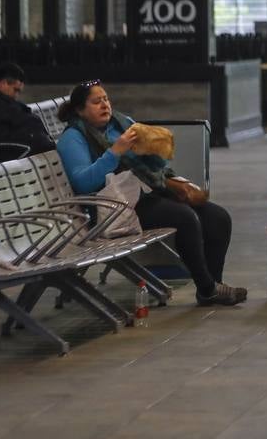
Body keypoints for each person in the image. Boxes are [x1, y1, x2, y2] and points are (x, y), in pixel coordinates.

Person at [55, 80, 246, 306]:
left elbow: (156, 167)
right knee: (184, 218)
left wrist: (154, 148)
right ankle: (207, 287)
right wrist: (115, 152)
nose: (105, 105)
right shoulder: (74, 137)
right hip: (112, 207)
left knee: (218, 218)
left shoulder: (120, 124)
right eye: (96, 102)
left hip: (145, 192)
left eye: (106, 99)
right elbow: (83, 183)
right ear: (79, 109)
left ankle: (213, 285)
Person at [0, 62, 54, 159]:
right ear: (4, 83)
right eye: (15, 90)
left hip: (13, 146)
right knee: (49, 145)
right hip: (7, 149)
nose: (16, 95)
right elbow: (3, 129)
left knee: (49, 145)